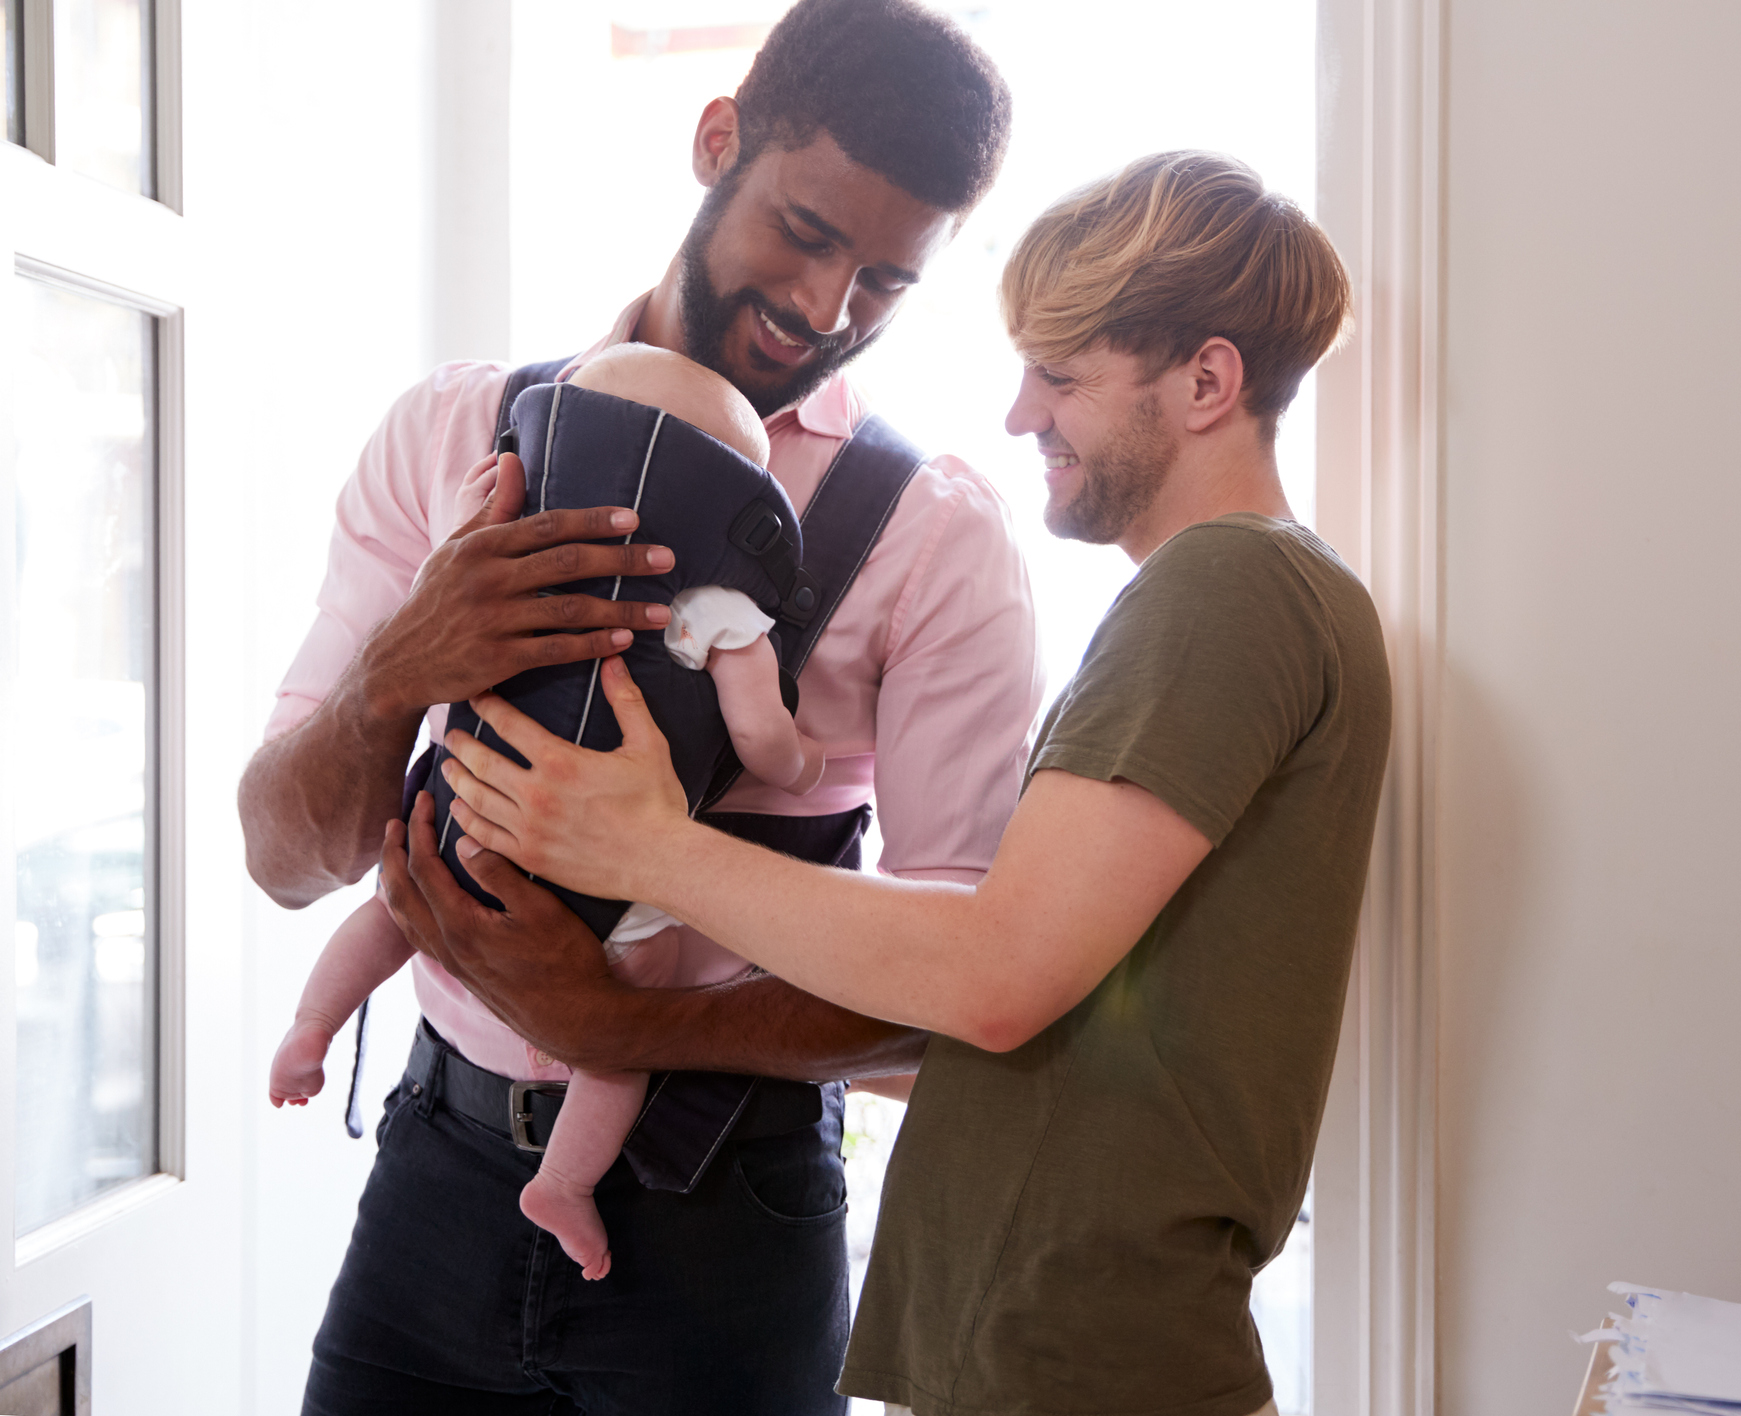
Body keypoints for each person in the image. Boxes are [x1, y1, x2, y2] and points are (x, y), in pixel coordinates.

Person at [391, 152, 1392, 1416]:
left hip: (1086, 1360)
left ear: (1206, 382)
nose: (1023, 414)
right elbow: (1051, 999)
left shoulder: (1225, 592)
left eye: (1063, 376)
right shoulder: (1253, 598)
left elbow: (991, 974)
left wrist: (648, 851)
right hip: (1057, 1340)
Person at [238, 1, 1036, 1410]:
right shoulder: (449, 434)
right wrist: (398, 670)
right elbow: (283, 855)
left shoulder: (936, 538)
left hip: (731, 1221)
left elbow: (960, 1000)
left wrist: (629, 1024)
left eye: (884, 282)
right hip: (430, 1179)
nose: (823, 309)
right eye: (803, 229)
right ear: (716, 139)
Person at [268, 343, 821, 1283]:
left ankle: (311, 1028)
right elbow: (766, 742)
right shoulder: (716, 607)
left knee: (394, 910)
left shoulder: (492, 536)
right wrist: (800, 762)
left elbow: (436, 592)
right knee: (622, 1023)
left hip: (464, 814)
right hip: (607, 885)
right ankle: (565, 1184)